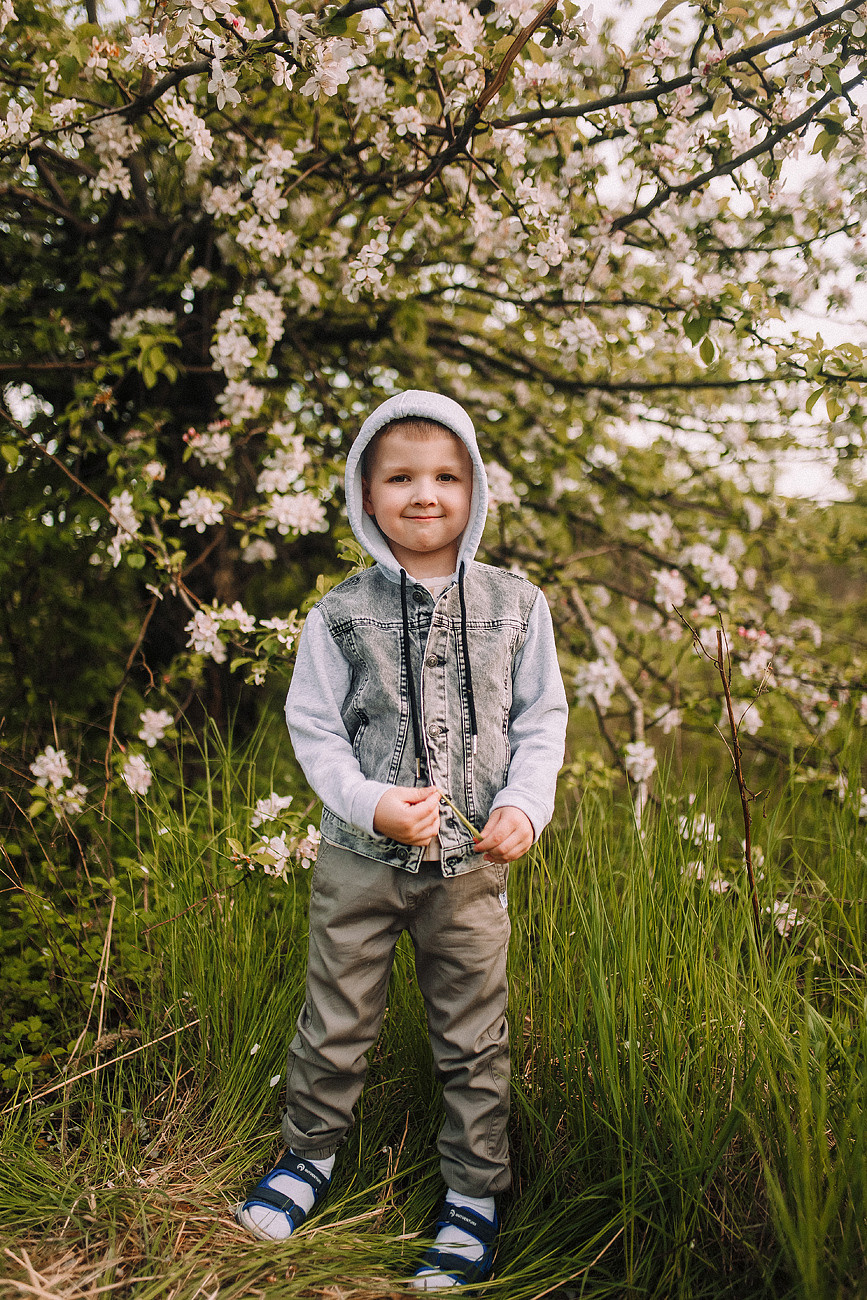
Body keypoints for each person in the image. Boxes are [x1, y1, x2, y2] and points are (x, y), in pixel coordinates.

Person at [236, 390, 568, 1289]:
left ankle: (472, 1195)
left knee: (473, 1034)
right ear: (365, 494)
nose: (425, 494)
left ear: (475, 488)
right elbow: (315, 729)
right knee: (335, 1018)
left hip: (469, 867)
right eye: (400, 478)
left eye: (446, 477)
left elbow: (540, 720)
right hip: (361, 860)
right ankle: (308, 1156)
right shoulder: (339, 613)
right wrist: (369, 802)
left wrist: (523, 807)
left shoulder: (517, 605)